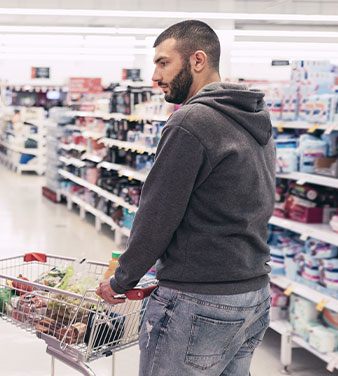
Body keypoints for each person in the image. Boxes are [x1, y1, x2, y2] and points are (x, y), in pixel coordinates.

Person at [95, 20, 275, 376]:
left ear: (197, 60)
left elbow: (157, 214)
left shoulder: (190, 121)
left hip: (198, 300)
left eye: (163, 63)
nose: (154, 76)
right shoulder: (255, 118)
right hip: (252, 295)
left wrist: (122, 279)